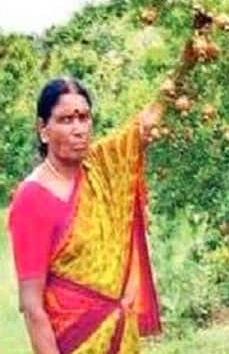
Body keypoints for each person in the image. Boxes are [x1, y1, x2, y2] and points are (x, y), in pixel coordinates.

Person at [6, 77, 164, 353]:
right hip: (75, 342)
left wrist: (189, 57)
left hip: (120, 337)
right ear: (43, 129)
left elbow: (146, 124)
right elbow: (32, 306)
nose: (78, 129)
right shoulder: (32, 198)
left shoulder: (102, 168)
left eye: (84, 117)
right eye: (66, 120)